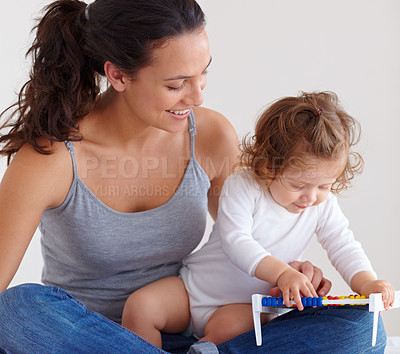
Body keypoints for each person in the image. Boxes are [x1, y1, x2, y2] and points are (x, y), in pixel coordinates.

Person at [0, 0, 387, 352]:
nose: (198, 96)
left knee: (359, 326)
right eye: (175, 84)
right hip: (83, 337)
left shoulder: (211, 136)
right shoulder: (49, 158)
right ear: (117, 75)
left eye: (203, 74)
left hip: (194, 324)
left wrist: (288, 267)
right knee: (16, 308)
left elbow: (242, 232)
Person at [121, 91, 394, 349]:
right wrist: (283, 273)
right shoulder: (244, 186)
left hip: (242, 306)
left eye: (324, 186)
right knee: (140, 306)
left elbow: (343, 245)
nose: (311, 197)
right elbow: (236, 241)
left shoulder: (323, 207)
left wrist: (366, 283)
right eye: (299, 185)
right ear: (267, 166)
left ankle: (203, 349)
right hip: (192, 289)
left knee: (231, 333)